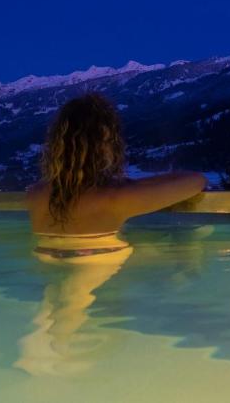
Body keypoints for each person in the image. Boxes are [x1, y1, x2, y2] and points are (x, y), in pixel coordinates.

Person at [16, 93, 207, 375]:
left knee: (62, 309)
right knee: (188, 243)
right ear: (103, 146)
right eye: (108, 141)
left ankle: (48, 356)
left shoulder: (35, 194)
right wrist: (128, 184)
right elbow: (195, 181)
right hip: (100, 262)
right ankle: (61, 357)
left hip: (48, 259)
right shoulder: (116, 196)